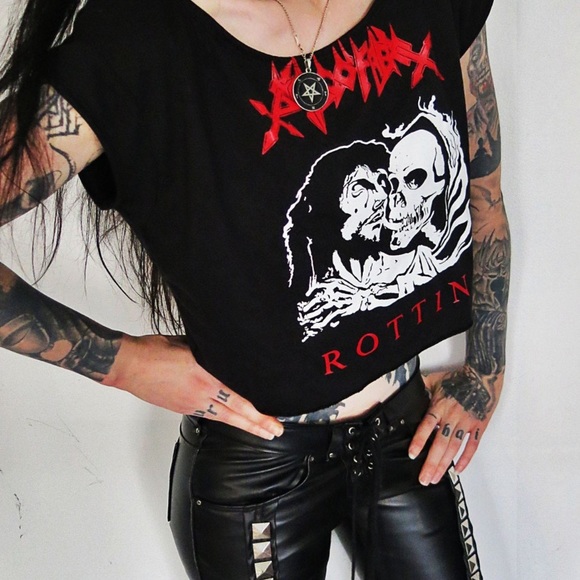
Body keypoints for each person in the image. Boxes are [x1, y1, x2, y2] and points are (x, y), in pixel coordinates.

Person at [0, 0, 509, 578]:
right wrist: (123, 364)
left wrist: (486, 371)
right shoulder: (133, 41)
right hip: (257, 469)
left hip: (404, 434)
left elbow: (484, 195)